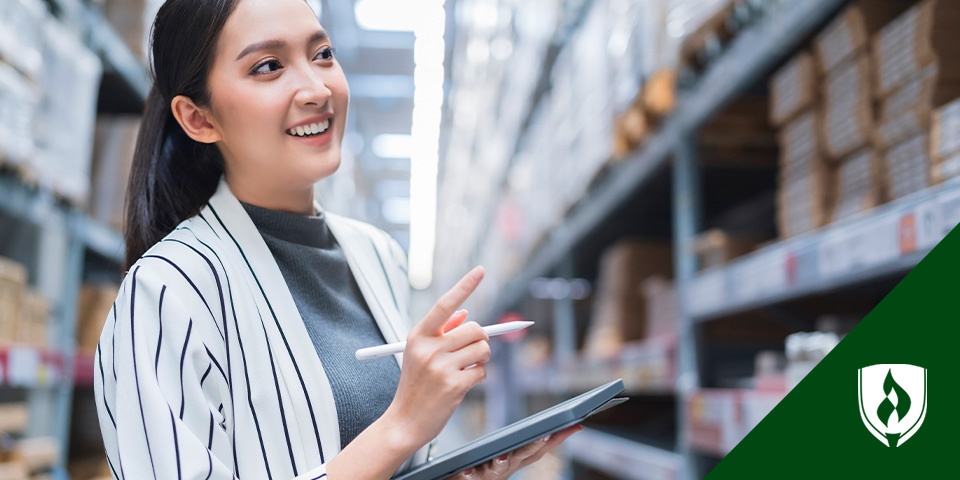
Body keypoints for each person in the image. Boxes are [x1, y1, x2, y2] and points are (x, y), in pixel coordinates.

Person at [94, 0, 580, 478]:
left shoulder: (377, 256)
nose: (315, 88)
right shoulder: (167, 292)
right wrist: (403, 425)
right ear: (199, 119)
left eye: (322, 54)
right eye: (268, 66)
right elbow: (388, 438)